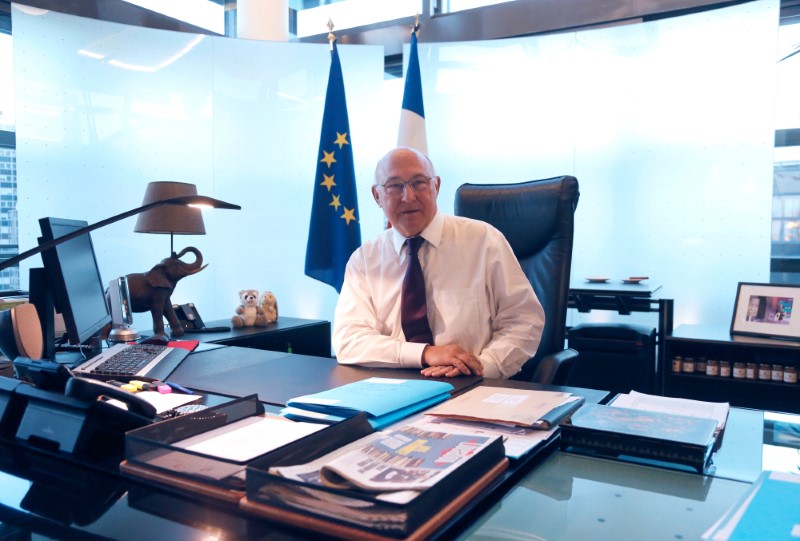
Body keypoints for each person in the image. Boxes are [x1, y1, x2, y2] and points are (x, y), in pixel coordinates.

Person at [332, 147, 545, 379]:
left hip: (472, 384)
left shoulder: (484, 241)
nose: (408, 196)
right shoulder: (364, 259)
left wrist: (482, 367)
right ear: (377, 196)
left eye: (419, 182)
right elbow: (349, 339)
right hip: (391, 389)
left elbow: (524, 320)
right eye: (394, 186)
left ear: (436, 186)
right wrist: (425, 353)